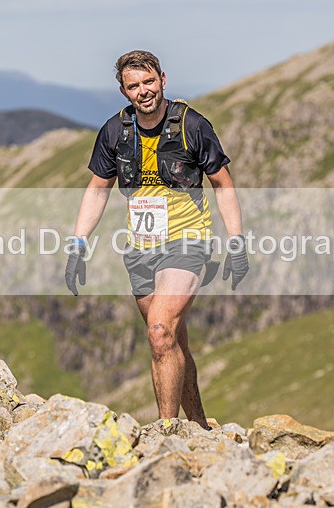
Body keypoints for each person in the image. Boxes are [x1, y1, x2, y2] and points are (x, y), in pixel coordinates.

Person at [65, 50, 249, 429]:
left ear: (163, 79)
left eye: (149, 82)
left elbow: (223, 185)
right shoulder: (115, 132)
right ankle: (197, 425)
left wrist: (236, 243)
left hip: (188, 243)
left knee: (159, 330)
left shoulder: (193, 126)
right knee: (170, 342)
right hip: (141, 249)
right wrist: (78, 245)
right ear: (123, 91)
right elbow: (98, 190)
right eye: (134, 86)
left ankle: (166, 433)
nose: (144, 91)